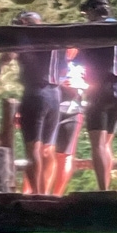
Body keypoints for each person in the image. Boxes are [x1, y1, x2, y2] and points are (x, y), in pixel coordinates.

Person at [77, 0, 117, 191]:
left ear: (93, 11)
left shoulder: (92, 31)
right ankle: (107, 187)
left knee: (97, 143)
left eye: (87, 14)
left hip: (98, 87)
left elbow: (79, 61)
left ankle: (103, 190)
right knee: (106, 143)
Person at [1, 13, 61, 195]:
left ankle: (37, 193)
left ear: (24, 23)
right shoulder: (55, 39)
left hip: (34, 93)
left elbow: (7, 57)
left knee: (33, 148)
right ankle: (46, 192)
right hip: (55, 94)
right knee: (47, 149)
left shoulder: (24, 38)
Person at [49, 56, 86, 196]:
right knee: (43, 152)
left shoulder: (85, 59)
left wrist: (79, 84)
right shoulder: (53, 54)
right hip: (49, 108)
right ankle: (34, 192)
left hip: (72, 110)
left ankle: (57, 195)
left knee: (65, 155)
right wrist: (60, 82)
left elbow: (96, 83)